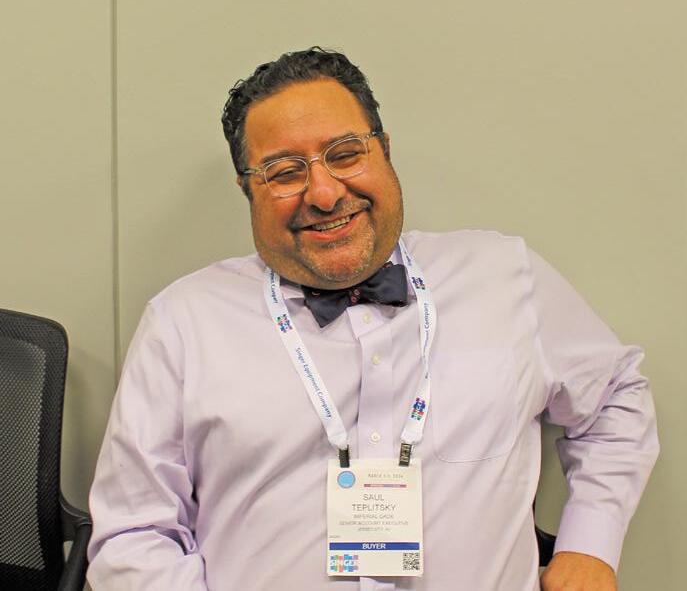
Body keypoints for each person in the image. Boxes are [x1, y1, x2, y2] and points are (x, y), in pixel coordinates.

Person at [87, 47, 659, 591]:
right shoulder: (183, 323)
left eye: (345, 154)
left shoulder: (505, 275)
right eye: (284, 172)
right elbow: (133, 535)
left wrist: (590, 546)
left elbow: (614, 395)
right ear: (247, 191)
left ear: (383, 150)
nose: (324, 193)